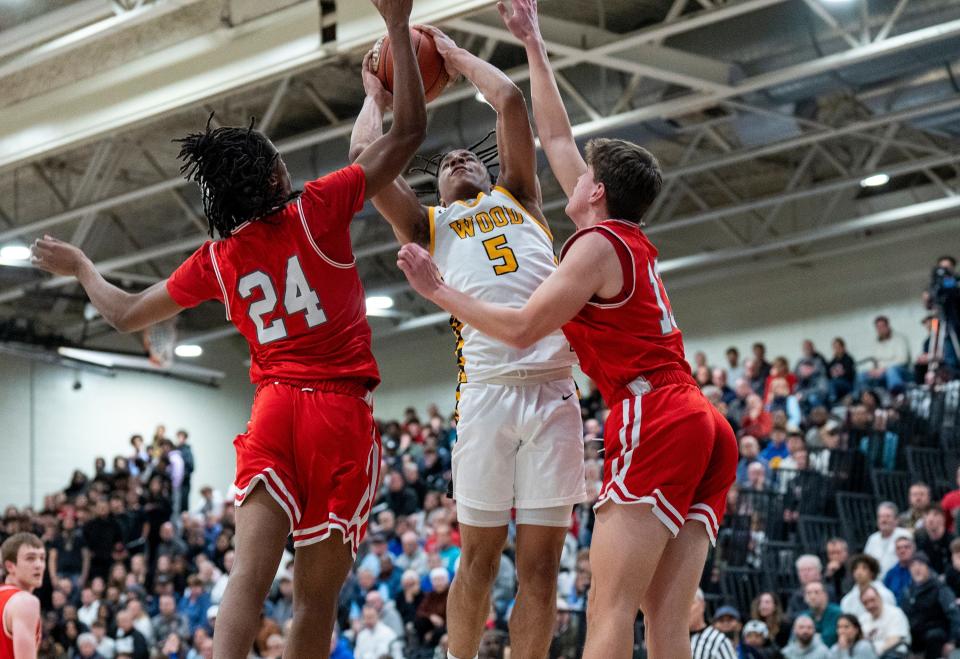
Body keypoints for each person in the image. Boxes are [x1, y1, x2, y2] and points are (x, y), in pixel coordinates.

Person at [30, 1, 427, 656]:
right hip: (336, 412)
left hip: (273, 411)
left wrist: (82, 267)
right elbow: (409, 133)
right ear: (274, 174)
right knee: (314, 597)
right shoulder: (315, 210)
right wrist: (396, 30)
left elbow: (126, 311)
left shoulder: (218, 258)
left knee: (246, 576)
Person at [397, 2, 738, 657]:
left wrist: (440, 291)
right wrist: (531, 43)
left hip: (654, 411)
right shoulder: (621, 237)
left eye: (586, 172)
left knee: (606, 608)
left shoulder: (592, 245)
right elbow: (552, 136)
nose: (573, 172)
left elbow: (524, 326)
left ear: (598, 192)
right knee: (665, 620)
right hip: (703, 421)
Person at [352, 21, 585, 659]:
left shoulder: (521, 196)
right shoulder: (429, 225)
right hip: (485, 394)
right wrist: (376, 96)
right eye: (447, 161)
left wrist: (452, 56)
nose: (458, 157)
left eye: (468, 155)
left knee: (541, 570)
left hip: (554, 390)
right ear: (437, 187)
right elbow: (364, 164)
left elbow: (510, 100)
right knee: (477, 560)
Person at [901, 552, 960, 659]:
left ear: (927, 567)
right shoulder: (908, 591)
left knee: (933, 635)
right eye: (913, 565)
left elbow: (954, 614)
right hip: (915, 636)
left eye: (920, 564)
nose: (916, 569)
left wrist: (952, 641)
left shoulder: (940, 588)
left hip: (936, 636)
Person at [0, 533, 44, 657]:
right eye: (30, 558)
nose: (39, 565)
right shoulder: (25, 602)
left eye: (42, 558)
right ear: (10, 566)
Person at [858, 317, 911, 395]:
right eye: (878, 327)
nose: (880, 329)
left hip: (900, 370)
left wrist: (884, 369)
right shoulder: (876, 343)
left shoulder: (899, 339)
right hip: (881, 372)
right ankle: (866, 399)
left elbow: (903, 360)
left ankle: (897, 395)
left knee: (891, 370)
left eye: (882, 326)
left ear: (888, 326)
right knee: (861, 375)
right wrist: (873, 370)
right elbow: (873, 360)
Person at [857, 586, 910, 657]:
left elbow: (895, 640)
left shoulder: (895, 613)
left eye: (872, 600)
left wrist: (874, 654)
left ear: (879, 598)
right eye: (865, 603)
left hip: (893, 653)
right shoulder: (862, 619)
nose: (870, 605)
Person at [863, 502, 912, 577]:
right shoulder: (872, 539)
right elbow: (865, 563)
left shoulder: (905, 535)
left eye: (888, 516)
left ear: (896, 520)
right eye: (881, 517)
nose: (884, 520)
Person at [689, 590, 736, 659]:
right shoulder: (672, 641)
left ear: (702, 604)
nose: (685, 610)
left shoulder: (718, 641)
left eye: (691, 603)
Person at [914, 506, 955, 574]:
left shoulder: (953, 541)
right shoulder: (921, 544)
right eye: (927, 515)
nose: (930, 519)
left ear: (943, 518)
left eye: (935, 514)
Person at [801, 581, 842, 648]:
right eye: (808, 593)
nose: (812, 597)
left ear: (825, 595)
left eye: (816, 592)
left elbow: (829, 640)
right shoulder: (803, 616)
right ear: (805, 598)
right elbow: (794, 641)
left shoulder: (836, 613)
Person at [882, 536, 915, 606]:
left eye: (906, 547)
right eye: (898, 548)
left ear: (913, 549)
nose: (902, 551)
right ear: (895, 552)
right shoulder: (890, 574)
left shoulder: (921, 570)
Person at [827, 338, 856, 404]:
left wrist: (839, 373)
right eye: (835, 347)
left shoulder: (848, 359)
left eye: (838, 347)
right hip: (835, 384)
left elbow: (850, 375)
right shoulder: (832, 361)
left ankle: (833, 399)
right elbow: (828, 374)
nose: (837, 349)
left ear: (843, 347)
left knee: (833, 383)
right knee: (828, 383)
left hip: (847, 384)